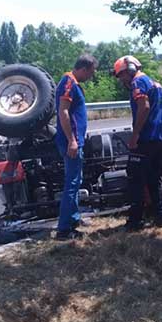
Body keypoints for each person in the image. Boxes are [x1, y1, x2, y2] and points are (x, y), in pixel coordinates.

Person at [112, 55, 162, 230]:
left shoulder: (138, 83)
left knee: (135, 178)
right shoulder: (155, 84)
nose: (121, 79)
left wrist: (135, 134)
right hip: (161, 139)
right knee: (154, 179)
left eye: (121, 75)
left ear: (130, 70)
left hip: (146, 139)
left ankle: (135, 221)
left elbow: (143, 108)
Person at [54, 54, 98, 239]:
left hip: (75, 140)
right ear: (84, 69)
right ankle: (64, 229)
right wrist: (72, 140)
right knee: (72, 183)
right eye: (91, 72)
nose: (91, 76)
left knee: (76, 180)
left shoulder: (71, 83)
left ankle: (74, 218)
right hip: (70, 141)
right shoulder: (69, 83)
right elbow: (63, 111)